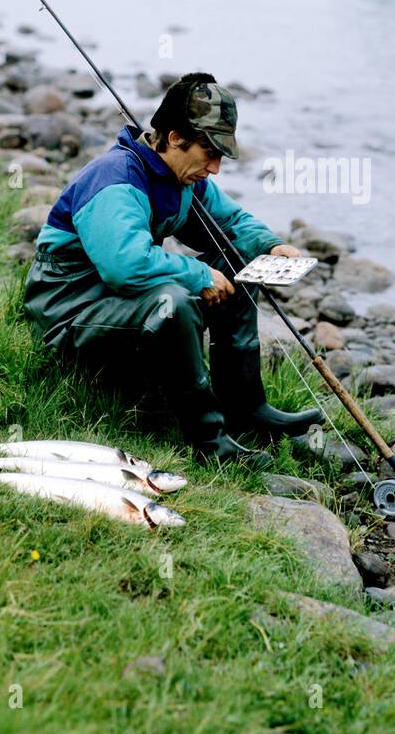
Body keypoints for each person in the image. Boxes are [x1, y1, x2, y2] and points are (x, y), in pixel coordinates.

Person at [23, 71, 321, 467]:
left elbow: (230, 225)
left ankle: (246, 409)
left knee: (237, 261)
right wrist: (198, 276)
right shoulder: (115, 179)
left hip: (115, 303)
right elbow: (124, 267)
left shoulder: (182, 177)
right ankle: (210, 443)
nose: (214, 167)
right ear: (176, 137)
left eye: (220, 156)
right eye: (209, 152)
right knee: (174, 301)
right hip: (70, 311)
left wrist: (272, 245)